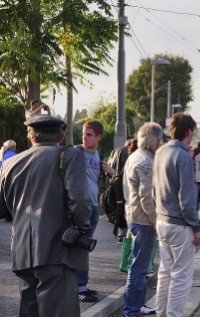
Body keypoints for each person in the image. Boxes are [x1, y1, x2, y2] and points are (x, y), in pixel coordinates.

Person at [0, 116, 93, 316]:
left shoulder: (9, 163)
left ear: (31, 136)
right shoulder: (70, 155)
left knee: (29, 311)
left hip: (22, 251)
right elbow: (81, 201)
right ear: (60, 136)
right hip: (58, 249)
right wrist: (81, 229)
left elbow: (2, 208)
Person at [153, 113, 200, 316]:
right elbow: (187, 197)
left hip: (162, 220)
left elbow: (153, 188)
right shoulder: (183, 156)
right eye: (193, 132)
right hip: (181, 224)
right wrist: (197, 226)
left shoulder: (160, 152)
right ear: (188, 131)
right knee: (181, 276)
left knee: (165, 273)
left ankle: (161, 313)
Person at [122, 123, 163, 317]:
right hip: (144, 220)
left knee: (140, 267)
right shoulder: (145, 162)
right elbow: (147, 197)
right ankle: (131, 310)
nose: (161, 143)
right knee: (140, 268)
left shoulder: (135, 156)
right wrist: (158, 222)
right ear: (154, 140)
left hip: (135, 216)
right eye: (160, 140)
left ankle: (137, 305)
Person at [77, 120, 116, 302]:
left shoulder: (99, 155)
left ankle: (82, 285)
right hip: (78, 207)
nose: (84, 137)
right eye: (84, 134)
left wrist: (110, 174)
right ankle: (78, 288)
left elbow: (97, 183)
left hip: (93, 207)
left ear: (98, 137)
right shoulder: (75, 152)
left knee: (85, 248)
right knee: (78, 247)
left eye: (89, 134)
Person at [110, 138, 134, 243]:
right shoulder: (130, 153)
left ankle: (121, 233)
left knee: (120, 207)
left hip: (116, 182)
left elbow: (110, 166)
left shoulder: (116, 151)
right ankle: (125, 233)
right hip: (127, 183)